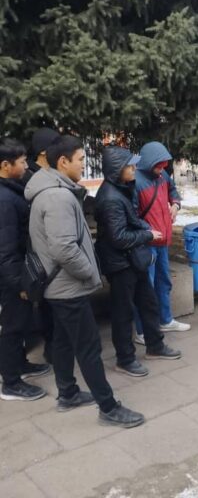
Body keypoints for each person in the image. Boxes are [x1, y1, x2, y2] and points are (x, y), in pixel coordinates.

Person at [25, 135, 144, 427]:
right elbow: (64, 248)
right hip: (68, 287)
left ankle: (68, 392)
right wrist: (90, 272)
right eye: (80, 160)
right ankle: (109, 407)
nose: (83, 165)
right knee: (89, 348)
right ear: (62, 161)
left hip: (59, 285)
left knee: (63, 341)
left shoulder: (52, 190)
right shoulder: (58, 197)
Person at [94, 146, 182, 377]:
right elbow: (118, 237)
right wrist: (147, 234)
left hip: (133, 259)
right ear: (117, 169)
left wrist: (145, 228)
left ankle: (155, 346)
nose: (134, 169)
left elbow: (132, 219)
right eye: (130, 166)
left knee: (148, 302)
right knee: (122, 312)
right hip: (120, 264)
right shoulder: (110, 198)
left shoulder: (122, 188)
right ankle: (125, 359)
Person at [0, 139, 51, 401]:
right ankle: (10, 384)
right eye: (21, 162)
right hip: (12, 276)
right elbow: (6, 249)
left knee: (19, 324)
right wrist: (19, 284)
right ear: (5, 165)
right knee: (12, 327)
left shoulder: (12, 190)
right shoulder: (4, 200)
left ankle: (19, 365)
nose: (25, 166)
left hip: (17, 271)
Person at [134, 141, 190, 343]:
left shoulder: (162, 175)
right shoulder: (136, 181)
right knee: (145, 288)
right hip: (147, 243)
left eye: (163, 165)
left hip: (163, 241)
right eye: (158, 165)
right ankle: (142, 330)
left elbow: (173, 191)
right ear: (148, 162)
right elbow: (131, 216)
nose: (161, 169)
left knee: (163, 282)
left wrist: (175, 205)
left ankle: (165, 320)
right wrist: (148, 231)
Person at [22, 127, 60, 364]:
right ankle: (52, 347)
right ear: (44, 152)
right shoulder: (28, 178)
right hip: (38, 250)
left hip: (56, 246)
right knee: (47, 302)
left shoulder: (54, 173)